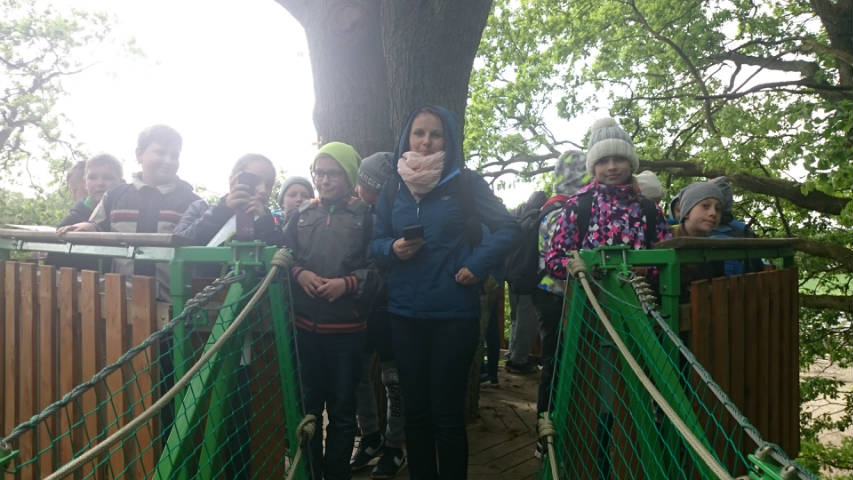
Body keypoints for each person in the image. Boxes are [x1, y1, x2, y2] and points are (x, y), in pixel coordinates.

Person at [370, 105, 519, 479]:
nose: (426, 141)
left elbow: (508, 227)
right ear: (407, 137)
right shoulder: (393, 187)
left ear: (448, 140)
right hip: (404, 314)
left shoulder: (465, 184)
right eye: (419, 133)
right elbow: (375, 241)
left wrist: (477, 264)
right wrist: (392, 248)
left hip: (453, 314)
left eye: (435, 134)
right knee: (416, 412)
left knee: (447, 413)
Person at [284, 142, 381, 480]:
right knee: (308, 410)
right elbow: (283, 257)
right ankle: (310, 473)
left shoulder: (367, 217)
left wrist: (347, 284)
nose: (324, 181)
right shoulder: (301, 215)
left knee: (342, 411)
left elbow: (380, 269)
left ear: (349, 176)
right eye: (319, 173)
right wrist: (300, 273)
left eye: (333, 174)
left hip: (347, 334)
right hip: (305, 330)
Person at [58, 124, 200, 300]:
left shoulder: (191, 202)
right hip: (121, 300)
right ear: (139, 154)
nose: (168, 160)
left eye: (174, 155)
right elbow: (98, 226)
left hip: (173, 301)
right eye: (160, 152)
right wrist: (89, 227)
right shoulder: (115, 196)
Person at [545, 117, 672, 279]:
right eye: (603, 161)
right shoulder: (578, 206)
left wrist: (644, 270)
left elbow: (669, 260)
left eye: (619, 159)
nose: (612, 167)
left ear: (631, 163)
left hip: (643, 295)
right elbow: (554, 260)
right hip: (590, 295)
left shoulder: (649, 209)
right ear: (593, 168)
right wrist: (586, 269)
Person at [350, 151, 407, 479]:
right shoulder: (356, 213)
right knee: (359, 373)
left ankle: (394, 446)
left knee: (393, 380)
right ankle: (370, 436)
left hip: (392, 306)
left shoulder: (400, 214)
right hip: (362, 305)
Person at [175, 153, 281, 246]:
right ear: (233, 179)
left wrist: (265, 225)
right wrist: (221, 211)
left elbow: (282, 255)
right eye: (255, 180)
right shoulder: (199, 208)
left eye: (269, 185)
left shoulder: (271, 222)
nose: (263, 190)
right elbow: (177, 243)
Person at [48, 154, 125, 272]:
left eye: (108, 178)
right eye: (92, 177)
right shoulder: (72, 221)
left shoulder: (128, 215)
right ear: (85, 182)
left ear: (122, 183)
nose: (100, 183)